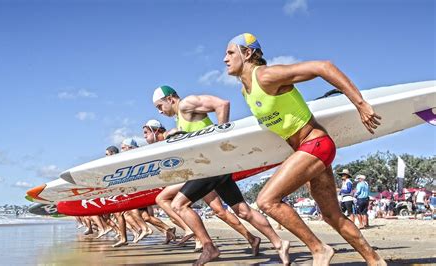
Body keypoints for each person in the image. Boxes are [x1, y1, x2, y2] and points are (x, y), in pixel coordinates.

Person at [224, 33, 385, 265]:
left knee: (266, 200)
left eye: (230, 53)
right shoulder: (245, 91)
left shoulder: (266, 76)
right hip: (308, 150)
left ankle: (318, 249)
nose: (225, 59)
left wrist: (360, 104)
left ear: (247, 53)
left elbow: (323, 66)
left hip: (316, 144)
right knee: (332, 216)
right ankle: (375, 260)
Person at [153, 86, 290, 265]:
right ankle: (279, 243)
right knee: (243, 210)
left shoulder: (186, 104)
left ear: (170, 99)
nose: (159, 111)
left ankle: (209, 247)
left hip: (211, 165)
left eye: (159, 106)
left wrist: (220, 139)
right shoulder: (181, 117)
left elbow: (222, 104)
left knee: (179, 204)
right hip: (215, 166)